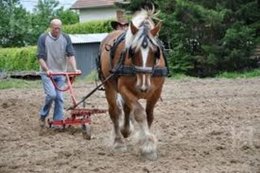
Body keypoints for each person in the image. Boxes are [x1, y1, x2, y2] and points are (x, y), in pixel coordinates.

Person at [37, 18, 80, 128]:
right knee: (51, 95)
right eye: (55, 28)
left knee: (59, 98)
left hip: (61, 73)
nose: (57, 30)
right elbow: (40, 57)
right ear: (51, 27)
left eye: (59, 28)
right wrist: (47, 70)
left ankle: (58, 122)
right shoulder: (43, 38)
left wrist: (75, 68)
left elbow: (70, 54)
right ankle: (43, 115)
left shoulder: (65, 38)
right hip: (47, 74)